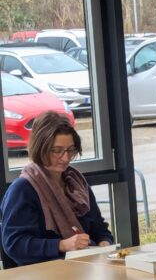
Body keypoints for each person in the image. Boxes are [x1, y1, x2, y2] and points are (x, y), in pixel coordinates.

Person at [1, 111, 113, 266]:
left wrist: (104, 244)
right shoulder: (23, 190)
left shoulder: (78, 183)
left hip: (84, 268)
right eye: (57, 151)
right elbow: (14, 245)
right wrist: (62, 245)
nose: (65, 158)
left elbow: (100, 230)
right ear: (40, 148)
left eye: (71, 150)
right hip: (42, 277)